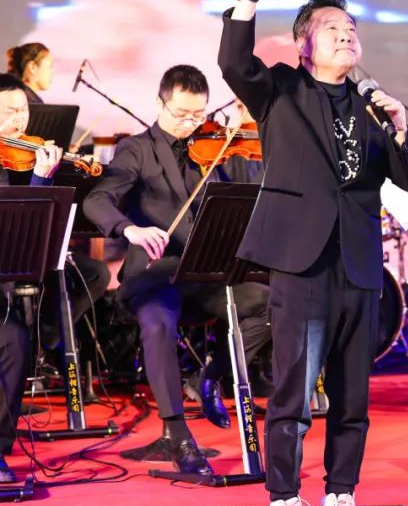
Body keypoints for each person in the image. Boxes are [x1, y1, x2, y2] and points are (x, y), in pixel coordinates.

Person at [219, 0, 408, 506]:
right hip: (301, 262)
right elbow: (233, 61)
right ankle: (284, 493)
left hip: (359, 263)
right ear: (304, 44)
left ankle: (342, 489)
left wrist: (401, 129)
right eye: (332, 27)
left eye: (352, 28)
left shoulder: (371, 105)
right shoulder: (281, 90)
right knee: (294, 386)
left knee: (352, 392)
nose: (346, 35)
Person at [82, 65, 272, 476]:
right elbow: (97, 200)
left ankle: (208, 376)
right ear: (159, 103)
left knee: (270, 303)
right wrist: (129, 229)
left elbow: (249, 192)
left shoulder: (216, 146)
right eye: (181, 114)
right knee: (158, 325)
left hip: (205, 274)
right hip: (155, 275)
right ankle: (177, 434)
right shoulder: (136, 149)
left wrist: (241, 131)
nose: (190, 124)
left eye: (197, 115)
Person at [0, 74, 62, 484]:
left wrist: (42, 177)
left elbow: (27, 227)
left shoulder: (16, 159)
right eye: (9, 111)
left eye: (23, 110)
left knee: (16, 340)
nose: (19, 119)